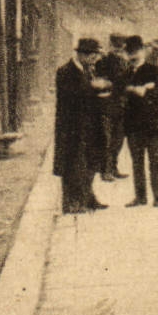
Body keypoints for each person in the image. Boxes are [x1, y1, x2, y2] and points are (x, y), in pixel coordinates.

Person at [53, 37, 110, 213]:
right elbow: (70, 97)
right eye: (93, 56)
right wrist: (93, 87)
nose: (95, 60)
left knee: (91, 162)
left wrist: (101, 91)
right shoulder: (65, 72)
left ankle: (88, 198)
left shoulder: (88, 71)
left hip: (90, 125)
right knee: (73, 164)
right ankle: (72, 203)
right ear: (82, 55)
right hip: (72, 127)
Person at [121, 35, 158, 207]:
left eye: (134, 52)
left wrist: (145, 92)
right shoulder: (125, 73)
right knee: (137, 163)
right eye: (129, 53)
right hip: (134, 126)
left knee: (156, 161)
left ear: (142, 51)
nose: (132, 56)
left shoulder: (154, 71)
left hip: (153, 124)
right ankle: (140, 197)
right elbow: (120, 93)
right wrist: (137, 89)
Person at [95, 34, 131, 179]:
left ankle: (113, 168)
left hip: (121, 105)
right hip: (107, 105)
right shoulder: (102, 62)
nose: (118, 50)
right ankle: (105, 170)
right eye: (116, 47)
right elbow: (104, 83)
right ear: (111, 46)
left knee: (118, 139)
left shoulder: (125, 63)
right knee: (106, 139)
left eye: (120, 47)